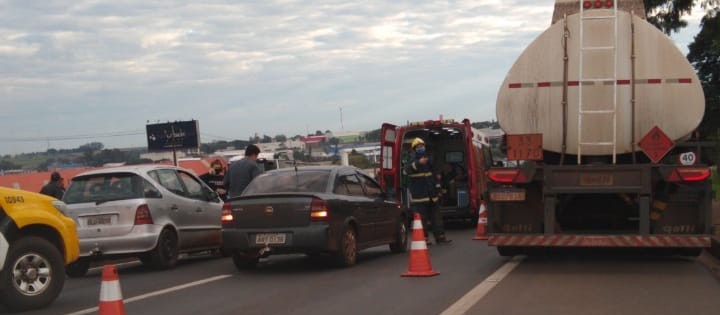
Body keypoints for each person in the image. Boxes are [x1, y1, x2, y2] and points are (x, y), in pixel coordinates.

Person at [404, 138, 451, 245]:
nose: (421, 148)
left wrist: (439, 189)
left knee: (437, 218)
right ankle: (424, 239)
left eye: (422, 146)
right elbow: (406, 170)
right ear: (415, 149)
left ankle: (440, 237)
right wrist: (418, 163)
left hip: (432, 195)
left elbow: (435, 177)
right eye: (419, 147)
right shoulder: (412, 161)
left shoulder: (429, 161)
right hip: (420, 197)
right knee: (422, 220)